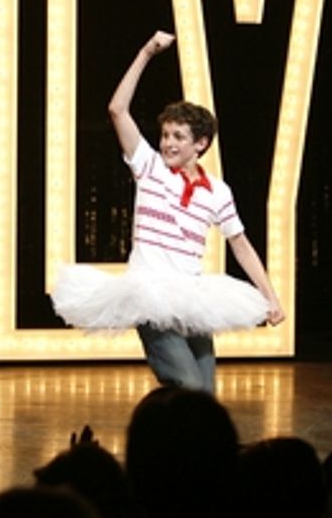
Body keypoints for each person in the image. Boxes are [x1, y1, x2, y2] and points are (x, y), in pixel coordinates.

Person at [50, 31, 285, 391]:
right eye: (165, 135)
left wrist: (270, 296)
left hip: (192, 300)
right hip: (151, 297)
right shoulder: (150, 168)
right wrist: (146, 52)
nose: (168, 143)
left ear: (200, 144)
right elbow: (117, 110)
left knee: (204, 394)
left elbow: (241, 244)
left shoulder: (217, 191)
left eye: (178, 137)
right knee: (189, 387)